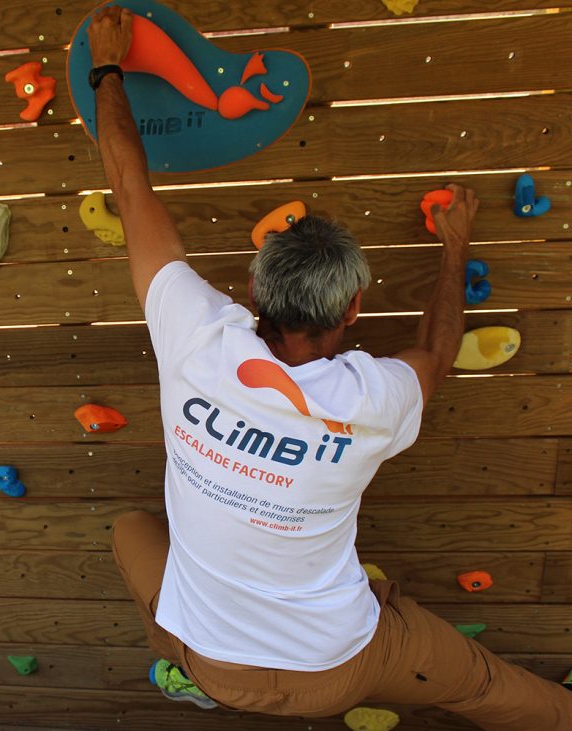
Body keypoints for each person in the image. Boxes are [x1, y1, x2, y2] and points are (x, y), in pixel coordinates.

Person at [86, 6, 572, 730]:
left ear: (254, 292)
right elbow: (436, 352)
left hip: (220, 669)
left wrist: (106, 67)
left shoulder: (196, 335)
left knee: (131, 530)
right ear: (353, 312)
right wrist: (454, 245)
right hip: (342, 666)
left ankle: (183, 668)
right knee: (476, 685)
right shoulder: (375, 395)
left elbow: (130, 188)